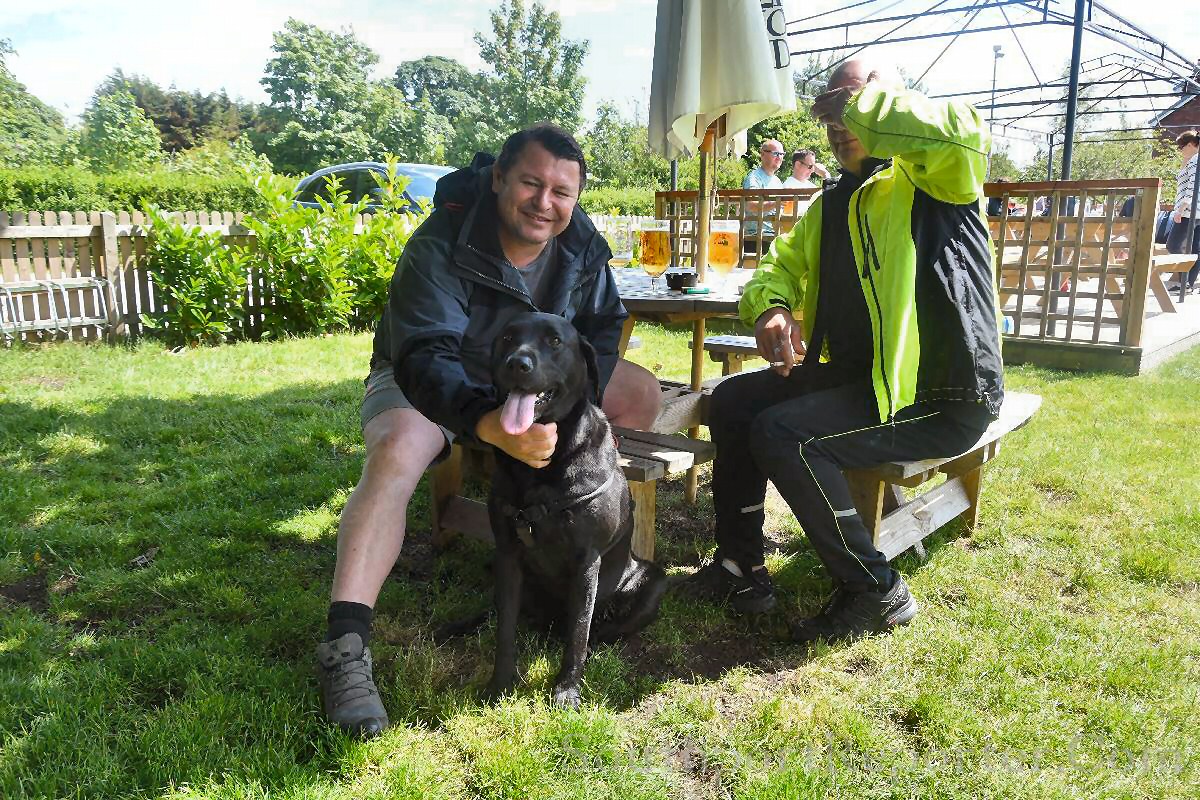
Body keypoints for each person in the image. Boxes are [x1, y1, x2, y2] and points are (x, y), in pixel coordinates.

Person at [316, 124, 663, 737]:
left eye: (562, 192)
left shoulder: (581, 244)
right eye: (531, 183)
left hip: (529, 378)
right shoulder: (441, 242)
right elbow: (424, 355)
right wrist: (486, 423)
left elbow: (602, 329)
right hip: (433, 373)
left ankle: (550, 523)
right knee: (396, 450)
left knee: (641, 392)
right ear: (499, 178)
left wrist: (582, 408)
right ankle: (346, 646)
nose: (545, 203)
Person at [687, 60, 1004, 645]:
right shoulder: (831, 204)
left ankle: (875, 590)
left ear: (891, 101)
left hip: (942, 395)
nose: (839, 120)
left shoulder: (938, 176)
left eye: (852, 103)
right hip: (863, 384)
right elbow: (778, 266)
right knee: (732, 400)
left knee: (784, 433)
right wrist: (772, 307)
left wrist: (864, 104)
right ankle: (740, 566)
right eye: (831, 108)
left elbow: (961, 130)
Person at [1167, 130, 1200, 291]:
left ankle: (1185, 282)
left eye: (1182, 146)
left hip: (1189, 211)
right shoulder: (1192, 160)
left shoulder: (1195, 160)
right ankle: (1187, 284)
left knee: (1173, 245)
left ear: (1191, 144)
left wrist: (1181, 209)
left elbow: (1193, 186)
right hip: (1195, 211)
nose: (1180, 150)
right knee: (1193, 248)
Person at [743, 139, 786, 242]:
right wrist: (775, 203)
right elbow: (751, 205)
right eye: (775, 153)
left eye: (781, 154)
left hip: (773, 237)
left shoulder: (777, 181)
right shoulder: (754, 178)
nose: (779, 157)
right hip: (755, 237)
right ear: (762, 154)